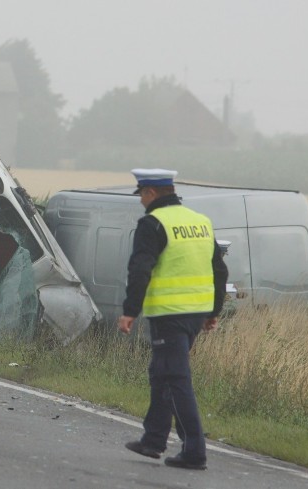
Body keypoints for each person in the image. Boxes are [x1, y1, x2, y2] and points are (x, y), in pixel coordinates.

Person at [119, 168, 228, 470]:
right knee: (161, 372)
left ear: (151, 193)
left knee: (176, 378)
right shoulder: (200, 221)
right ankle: (153, 439)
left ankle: (194, 450)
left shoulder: (152, 223)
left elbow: (140, 268)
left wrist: (130, 310)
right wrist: (213, 311)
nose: (141, 200)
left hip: (170, 313)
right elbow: (219, 270)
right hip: (196, 313)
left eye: (141, 194)